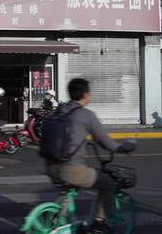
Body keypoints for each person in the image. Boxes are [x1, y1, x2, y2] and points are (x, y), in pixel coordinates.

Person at [46, 78, 136, 234]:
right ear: (86, 94)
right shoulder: (86, 115)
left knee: (72, 186)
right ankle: (99, 223)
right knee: (107, 183)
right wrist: (124, 147)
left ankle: (59, 218)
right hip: (71, 169)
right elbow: (106, 143)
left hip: (51, 166)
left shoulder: (59, 111)